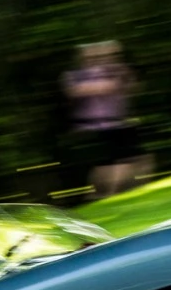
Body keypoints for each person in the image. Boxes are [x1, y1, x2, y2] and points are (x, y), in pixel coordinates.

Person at [62, 41, 146, 200]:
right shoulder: (76, 75)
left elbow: (131, 87)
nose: (98, 58)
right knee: (109, 166)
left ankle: (109, 194)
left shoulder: (113, 71)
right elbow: (79, 90)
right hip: (92, 128)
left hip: (117, 124)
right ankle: (105, 195)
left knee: (127, 162)